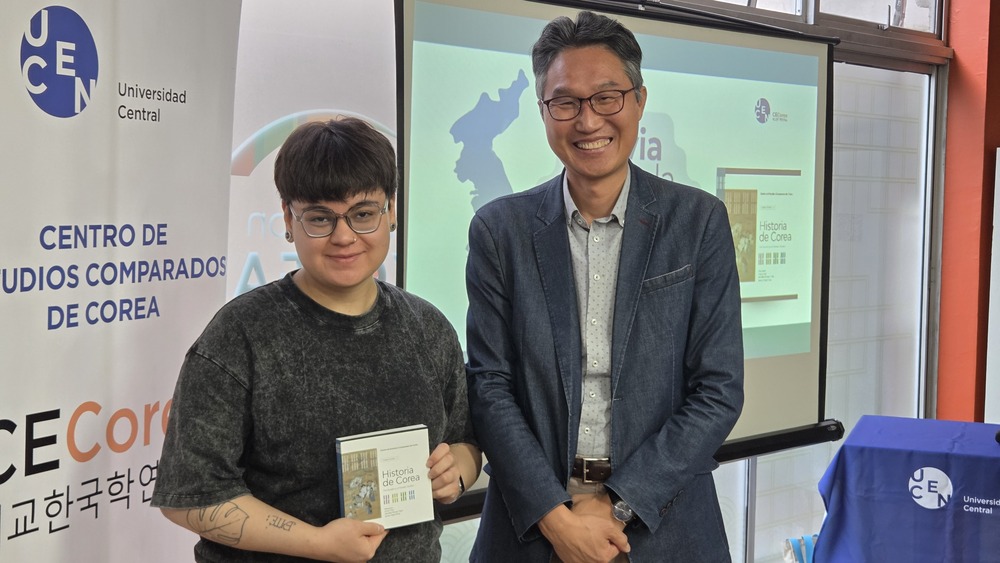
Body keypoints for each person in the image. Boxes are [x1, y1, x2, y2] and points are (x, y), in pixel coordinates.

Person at [465, 11, 743, 563]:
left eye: (607, 97)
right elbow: (489, 385)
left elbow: (718, 389)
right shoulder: (500, 231)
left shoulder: (698, 222)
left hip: (665, 524)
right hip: (532, 527)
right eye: (565, 102)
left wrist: (616, 503)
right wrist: (557, 517)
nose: (588, 120)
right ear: (543, 112)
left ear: (638, 101)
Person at [152, 116, 480, 563]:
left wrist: (456, 472)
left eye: (363, 214)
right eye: (320, 218)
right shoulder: (241, 335)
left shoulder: (428, 328)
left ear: (391, 211)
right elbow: (190, 495)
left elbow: (465, 442)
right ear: (288, 218)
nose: (344, 237)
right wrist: (315, 542)